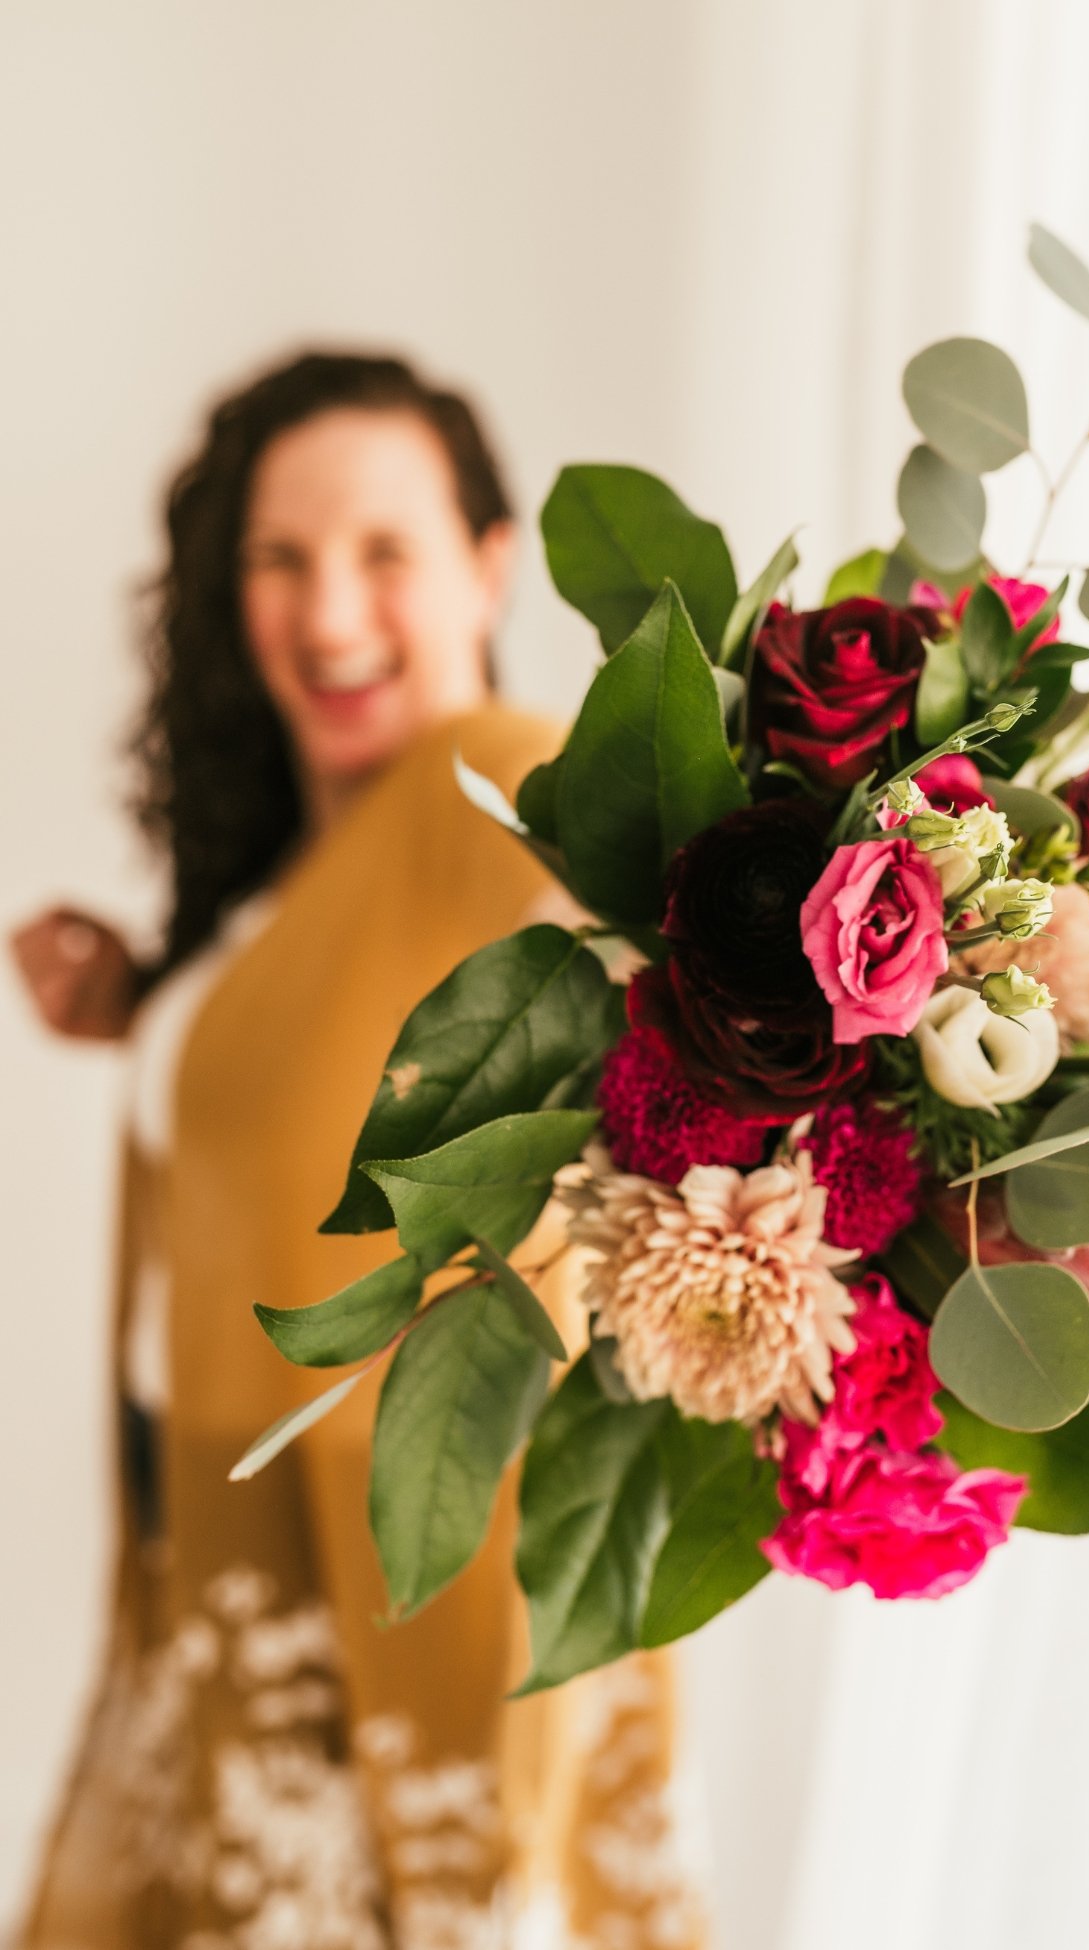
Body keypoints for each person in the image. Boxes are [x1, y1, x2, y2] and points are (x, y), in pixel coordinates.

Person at [10, 352, 703, 1950]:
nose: (331, 613)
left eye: (384, 551)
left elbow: (659, 989)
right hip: (231, 1549)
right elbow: (358, 1078)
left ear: (488, 558)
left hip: (428, 1557)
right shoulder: (285, 891)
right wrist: (157, 1008)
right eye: (281, 556)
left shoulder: (538, 805)